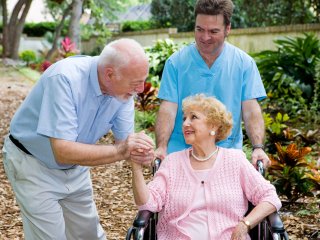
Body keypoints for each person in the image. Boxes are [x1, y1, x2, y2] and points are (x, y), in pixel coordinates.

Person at [2, 38, 155, 240]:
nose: (141, 89)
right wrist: (121, 151)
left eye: (142, 81)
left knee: (89, 236)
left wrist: (139, 151)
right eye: (136, 83)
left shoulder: (123, 93)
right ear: (110, 74)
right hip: (32, 163)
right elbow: (62, 151)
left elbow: (123, 143)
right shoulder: (65, 78)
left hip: (76, 167)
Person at [131, 94, 281, 240]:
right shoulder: (172, 163)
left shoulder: (235, 160)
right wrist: (136, 167)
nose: (185, 123)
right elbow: (147, 202)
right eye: (184, 119)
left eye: (193, 117)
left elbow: (269, 197)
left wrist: (245, 224)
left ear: (213, 125)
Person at [155, 0, 269, 167]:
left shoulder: (244, 63)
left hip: (226, 154)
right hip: (181, 154)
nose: (205, 37)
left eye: (213, 31)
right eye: (199, 29)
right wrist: (161, 147)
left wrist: (258, 148)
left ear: (227, 29)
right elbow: (168, 109)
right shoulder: (176, 63)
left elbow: (251, 110)